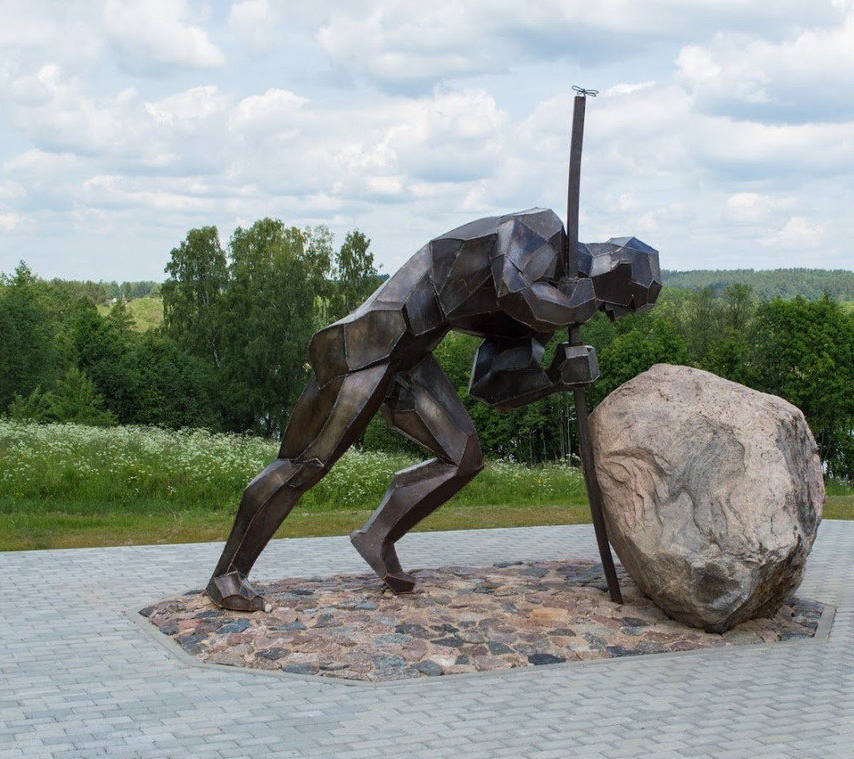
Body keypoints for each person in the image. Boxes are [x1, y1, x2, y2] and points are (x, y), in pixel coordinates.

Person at [206, 208, 661, 610]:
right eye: (612, 304)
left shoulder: (553, 301)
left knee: (463, 458)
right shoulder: (542, 232)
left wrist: (556, 377)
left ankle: (377, 536)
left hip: (412, 358)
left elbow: (494, 387)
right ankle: (227, 574)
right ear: (611, 266)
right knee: (304, 465)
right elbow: (509, 285)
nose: (603, 314)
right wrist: (572, 305)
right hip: (371, 343)